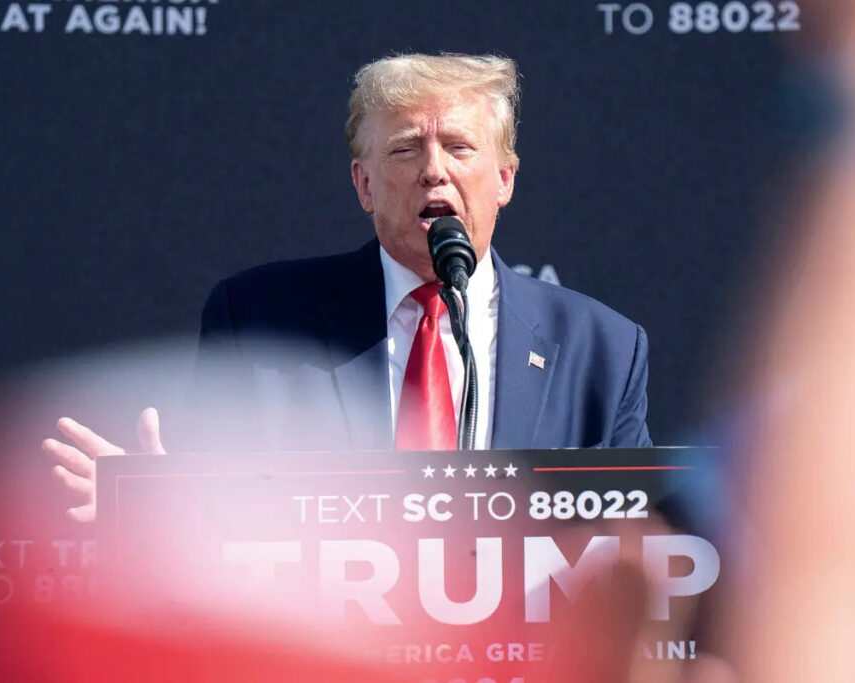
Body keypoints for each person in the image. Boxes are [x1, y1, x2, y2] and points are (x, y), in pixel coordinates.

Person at [44, 52, 652, 522]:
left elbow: (639, 544)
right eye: (406, 149)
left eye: (460, 147)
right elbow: (221, 531)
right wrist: (162, 513)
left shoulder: (602, 349)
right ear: (363, 185)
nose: (435, 169)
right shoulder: (259, 320)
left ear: (504, 179)